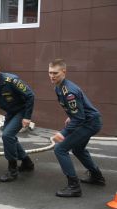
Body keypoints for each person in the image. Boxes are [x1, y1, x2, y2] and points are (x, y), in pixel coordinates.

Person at [49, 59, 105, 198]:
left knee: (60, 149)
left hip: (90, 123)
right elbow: (77, 110)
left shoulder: (69, 91)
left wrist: (64, 133)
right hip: (88, 120)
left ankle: (74, 187)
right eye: (50, 73)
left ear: (64, 72)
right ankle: (97, 177)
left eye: (55, 73)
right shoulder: (59, 86)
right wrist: (71, 115)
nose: (52, 76)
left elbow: (79, 118)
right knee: (78, 149)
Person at [0, 57, 35, 182]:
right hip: (11, 112)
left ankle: (12, 170)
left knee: (7, 135)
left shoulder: (11, 80)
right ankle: (27, 163)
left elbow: (30, 95)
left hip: (21, 111)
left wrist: (27, 117)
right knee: (9, 137)